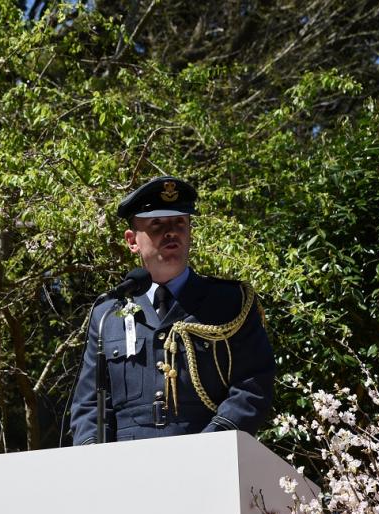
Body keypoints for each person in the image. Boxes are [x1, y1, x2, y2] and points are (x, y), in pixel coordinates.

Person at [69, 176, 275, 445]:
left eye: (179, 222)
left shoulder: (230, 303)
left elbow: (253, 384)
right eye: (157, 224)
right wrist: (95, 460)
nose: (171, 232)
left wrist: (210, 446)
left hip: (208, 458)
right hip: (126, 467)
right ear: (132, 241)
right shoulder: (108, 314)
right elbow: (89, 407)